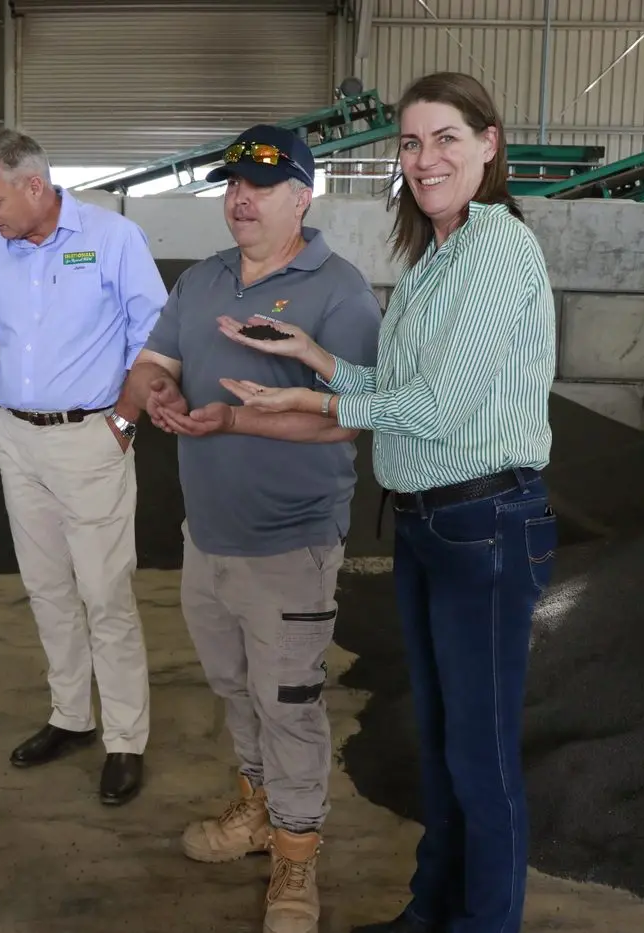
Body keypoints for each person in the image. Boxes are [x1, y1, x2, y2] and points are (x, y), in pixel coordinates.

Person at [215, 73, 559, 933]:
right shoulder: (436, 256)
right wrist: (315, 360)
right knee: (441, 748)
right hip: (428, 524)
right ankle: (428, 913)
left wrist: (315, 404)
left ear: (489, 142)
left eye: (445, 137)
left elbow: (438, 409)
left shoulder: (497, 248)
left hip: (484, 526)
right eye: (409, 143)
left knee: (479, 761)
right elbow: (403, 387)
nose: (424, 157)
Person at [118, 124, 382, 932]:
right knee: (236, 691)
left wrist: (232, 419)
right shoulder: (200, 281)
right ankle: (260, 808)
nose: (240, 197)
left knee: (289, 701)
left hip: (290, 542)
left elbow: (348, 422)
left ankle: (298, 862)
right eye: (233, 183)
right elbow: (154, 361)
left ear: (302, 196)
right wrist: (151, 398)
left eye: (261, 185)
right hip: (211, 538)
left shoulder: (339, 291)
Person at [0, 129, 167, 805]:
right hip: (16, 439)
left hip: (89, 438)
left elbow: (156, 335)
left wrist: (122, 419)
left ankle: (124, 738)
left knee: (104, 595)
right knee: (47, 587)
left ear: (34, 186)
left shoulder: (112, 240)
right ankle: (71, 716)